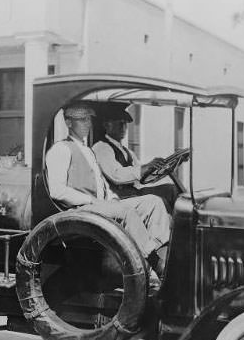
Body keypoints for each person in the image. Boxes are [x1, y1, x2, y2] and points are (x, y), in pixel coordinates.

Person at [45, 104, 170, 275]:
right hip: (79, 210)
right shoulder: (61, 149)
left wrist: (112, 198)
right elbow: (56, 191)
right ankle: (155, 264)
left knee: (153, 202)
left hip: (99, 205)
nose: (87, 124)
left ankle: (154, 255)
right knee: (125, 212)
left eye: (88, 119)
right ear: (68, 122)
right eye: (81, 120)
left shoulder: (88, 151)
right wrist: (90, 200)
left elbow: (101, 183)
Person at [92, 105, 178, 213]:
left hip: (134, 192)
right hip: (119, 198)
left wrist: (161, 168)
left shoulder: (127, 152)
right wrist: (144, 168)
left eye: (125, 124)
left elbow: (141, 176)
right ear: (107, 125)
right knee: (162, 201)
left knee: (171, 190)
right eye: (119, 123)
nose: (123, 128)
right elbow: (116, 175)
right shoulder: (101, 148)